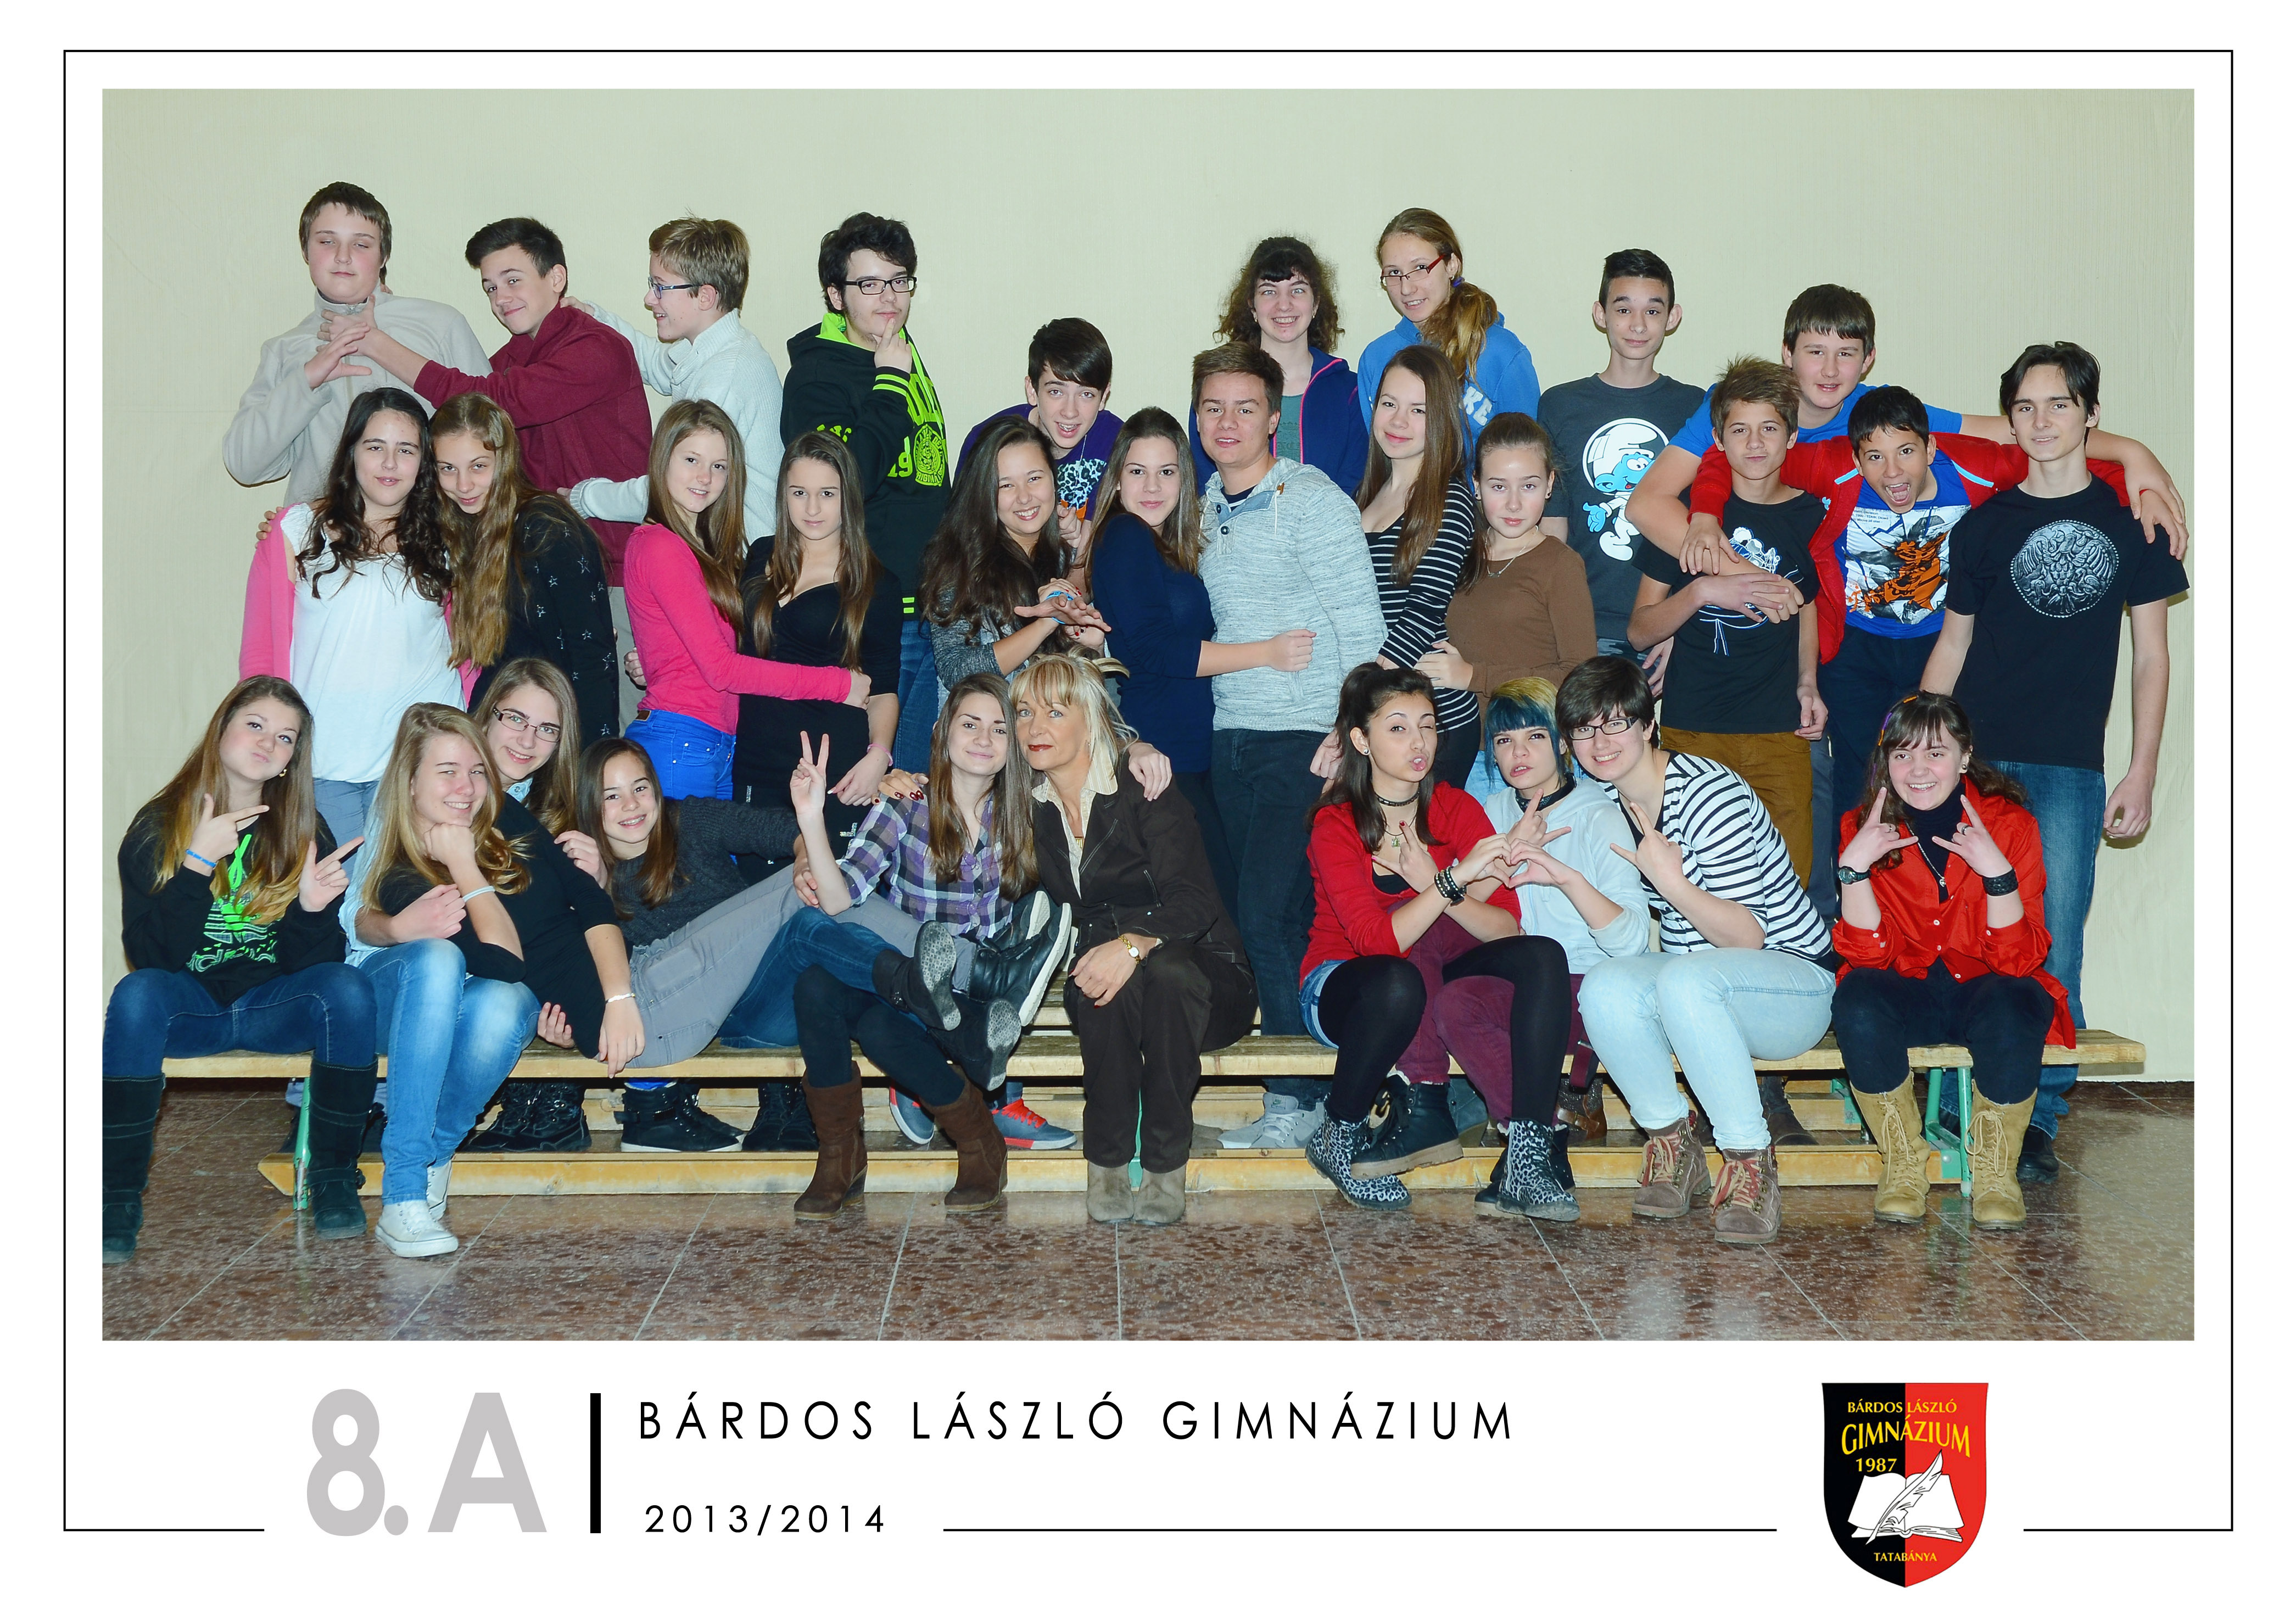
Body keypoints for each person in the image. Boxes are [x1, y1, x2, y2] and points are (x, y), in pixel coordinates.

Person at [1920, 340, 2188, 1181]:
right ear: (2010, 421)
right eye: (2025, 408)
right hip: (1976, 766)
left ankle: (2036, 1118)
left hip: (2071, 769)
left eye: (2059, 405)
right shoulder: (1982, 525)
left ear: (2090, 415)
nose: (2041, 422)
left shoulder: (2133, 522)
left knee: (2054, 944)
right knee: (1966, 936)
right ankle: (1963, 1098)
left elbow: (2152, 657)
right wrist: (1910, 750)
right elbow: (1952, 646)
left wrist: (2142, 768)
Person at [1677, 384, 2147, 835]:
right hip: (1855, 651)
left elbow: (2065, 464)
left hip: (1939, 646)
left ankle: (1932, 880)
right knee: (1860, 778)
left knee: (1935, 769)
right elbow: (1733, 457)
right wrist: (1704, 514)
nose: (1892, 473)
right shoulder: (1830, 464)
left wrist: (2142, 484)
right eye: (1874, 458)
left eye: (1905, 452)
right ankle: (1854, 881)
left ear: (1930, 447)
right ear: (1855, 458)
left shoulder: (1975, 466)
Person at [1566, 656, 1836, 1245]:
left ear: (1647, 725)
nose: (1600, 742)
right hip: (1698, 983)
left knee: (1687, 979)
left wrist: (1672, 883)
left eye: (1615, 724)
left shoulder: (1707, 793)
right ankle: (1672, 1146)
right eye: (1583, 729)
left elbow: (1746, 939)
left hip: (1791, 982)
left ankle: (1749, 1162)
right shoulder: (1604, 804)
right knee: (1605, 987)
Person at [1191, 343, 1387, 1150]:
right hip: (1229, 737)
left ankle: (1294, 1098)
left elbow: (1364, 628)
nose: (1227, 422)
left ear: (1274, 417)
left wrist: (1346, 733)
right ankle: (1316, 1088)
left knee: (1268, 915)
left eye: (1245, 408)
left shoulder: (1311, 500)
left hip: (1304, 741)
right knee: (1265, 919)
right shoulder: (1202, 506)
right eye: (1212, 407)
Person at [104, 677, 375, 1261]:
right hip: (191, 1008)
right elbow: (152, 958)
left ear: (291, 759)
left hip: (270, 1008)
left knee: (348, 987)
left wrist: (310, 911)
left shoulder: (303, 828)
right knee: (136, 993)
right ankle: (114, 1200)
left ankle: (332, 1178)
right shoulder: (158, 825)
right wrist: (196, 864)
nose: (268, 743)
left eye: (286, 737)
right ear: (221, 729)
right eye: (255, 725)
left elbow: (317, 967)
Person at [1297, 665, 1577, 1219]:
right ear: (1361, 741)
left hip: (1432, 974)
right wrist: (1448, 881)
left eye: (1426, 725)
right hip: (1346, 987)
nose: (1418, 742)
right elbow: (1375, 941)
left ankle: (1527, 1152)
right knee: (1399, 971)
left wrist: (1437, 884)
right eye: (1397, 728)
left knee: (1542, 956)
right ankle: (1340, 1131)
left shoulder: (1454, 807)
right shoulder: (1336, 824)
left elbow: (1505, 927)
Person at [1013, 653, 1256, 1226]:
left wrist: (1133, 944)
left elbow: (1194, 901)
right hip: (1109, 977)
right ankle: (1107, 1161)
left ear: (1091, 721)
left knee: (1166, 974)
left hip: (1201, 972)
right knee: (1104, 983)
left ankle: (1166, 1165)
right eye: (1023, 712)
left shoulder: (1144, 787)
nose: (1035, 727)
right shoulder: (1028, 807)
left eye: (1054, 711)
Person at [782, 674, 1038, 1215]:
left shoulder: (1026, 812)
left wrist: (1137, 748)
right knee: (815, 985)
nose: (983, 738)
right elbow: (838, 898)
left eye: (999, 728)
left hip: (978, 994)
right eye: (970, 724)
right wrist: (810, 818)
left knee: (879, 1026)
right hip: (912, 985)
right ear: (942, 732)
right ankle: (840, 1153)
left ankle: (976, 1141)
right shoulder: (905, 804)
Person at [1832, 694, 2074, 1231]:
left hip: (1985, 990)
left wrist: (1997, 876)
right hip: (1908, 989)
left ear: (1964, 757)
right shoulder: (1862, 826)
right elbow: (1867, 955)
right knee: (1856, 996)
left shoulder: (2010, 825)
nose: (1917, 769)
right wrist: (1853, 871)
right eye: (1901, 754)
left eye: (1935, 753)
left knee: (2016, 998)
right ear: (1885, 762)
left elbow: (2017, 960)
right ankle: (1902, 1165)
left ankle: (1994, 1173)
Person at [329, 215, 652, 592]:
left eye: (513, 281)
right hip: (539, 564)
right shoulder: (516, 357)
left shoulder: (597, 348)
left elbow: (491, 399)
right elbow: (456, 419)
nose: (501, 299)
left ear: (556, 278)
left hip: (615, 571)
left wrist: (376, 343)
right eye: (491, 288)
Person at [1087, 406, 1316, 917]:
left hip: (1199, 752)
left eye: (1167, 471)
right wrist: (1266, 653)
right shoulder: (1125, 535)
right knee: (1220, 910)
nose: (1152, 486)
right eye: (1137, 471)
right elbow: (1158, 650)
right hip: (1163, 756)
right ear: (1116, 478)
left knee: (1237, 907)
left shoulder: (1167, 544)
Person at [350, 705, 557, 1255]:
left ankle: (436, 1155)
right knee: (438, 958)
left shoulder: (491, 843)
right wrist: (462, 872)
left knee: (510, 1002)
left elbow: (510, 969)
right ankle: (402, 1195)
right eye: (446, 772)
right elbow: (501, 956)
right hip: (377, 1008)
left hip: (455, 1004)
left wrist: (466, 862)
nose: (465, 788)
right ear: (410, 782)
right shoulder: (398, 864)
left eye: (476, 771)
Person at [1627, 357, 1827, 881]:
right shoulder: (1687, 519)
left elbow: (1808, 604)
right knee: (1693, 885)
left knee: (1787, 884)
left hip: (1779, 731)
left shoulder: (1814, 515)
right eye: (1739, 430)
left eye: (1769, 429)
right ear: (1717, 439)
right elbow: (1639, 631)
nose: (1755, 443)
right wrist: (1701, 592)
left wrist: (1808, 682)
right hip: (1694, 730)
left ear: (1791, 436)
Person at [239, 386, 464, 842]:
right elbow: (260, 652)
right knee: (334, 886)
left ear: (423, 462)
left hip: (419, 768)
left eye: (406, 450)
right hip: (323, 764)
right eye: (375, 447)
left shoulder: (454, 538)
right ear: (351, 452)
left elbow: (473, 647)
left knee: (413, 886)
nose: (389, 463)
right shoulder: (295, 530)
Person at [621, 400, 867, 800]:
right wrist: (837, 684)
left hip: (716, 744)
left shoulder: (707, 550)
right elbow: (722, 669)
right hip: (681, 741)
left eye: (719, 466)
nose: (705, 477)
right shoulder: (660, 546)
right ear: (662, 458)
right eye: (691, 460)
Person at [781, 213, 949, 771]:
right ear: (836, 295)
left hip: (932, 606)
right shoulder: (817, 378)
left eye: (899, 281)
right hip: (873, 611)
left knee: (921, 778)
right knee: (878, 779)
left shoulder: (897, 349)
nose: (889, 297)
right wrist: (891, 382)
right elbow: (844, 481)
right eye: (869, 284)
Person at [1470, 677, 1650, 1154]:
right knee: (1455, 1003)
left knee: (1542, 977)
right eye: (1503, 740)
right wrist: (1508, 851)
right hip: (1515, 979)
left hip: (1583, 984)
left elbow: (1631, 942)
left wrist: (1567, 879)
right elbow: (1459, 913)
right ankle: (1532, 1124)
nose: (1518, 753)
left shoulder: (1598, 813)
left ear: (1562, 743)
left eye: (1535, 735)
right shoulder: (1487, 812)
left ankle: (1555, 1101)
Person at [224, 182, 489, 504]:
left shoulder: (440, 325)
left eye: (361, 245)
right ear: (305, 251)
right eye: (327, 241)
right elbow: (244, 466)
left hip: (428, 531)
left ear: (384, 255)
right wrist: (306, 381)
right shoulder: (284, 350)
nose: (343, 257)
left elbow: (495, 434)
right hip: (326, 533)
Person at [731, 432, 904, 846]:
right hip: (755, 756)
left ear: (849, 497)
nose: (812, 509)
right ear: (783, 496)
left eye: (827, 494)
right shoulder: (759, 554)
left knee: (827, 884)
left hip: (831, 766)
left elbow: (883, 689)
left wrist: (878, 758)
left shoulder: (878, 584)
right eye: (799, 493)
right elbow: (731, 648)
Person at [1537, 249, 1705, 667]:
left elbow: (1703, 520)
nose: (1638, 324)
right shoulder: (1560, 405)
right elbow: (1552, 527)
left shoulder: (1695, 407)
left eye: (1653, 310)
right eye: (1624, 309)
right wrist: (1552, 623)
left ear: (1672, 318)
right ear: (1601, 314)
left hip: (1664, 620)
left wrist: (1679, 620)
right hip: (1581, 623)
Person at [1421, 414, 1596, 803]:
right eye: (1498, 486)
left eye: (1528, 486)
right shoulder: (1455, 551)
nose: (1514, 503)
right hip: (1452, 749)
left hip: (1532, 757)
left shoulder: (1560, 565)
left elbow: (1577, 676)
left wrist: (1475, 676)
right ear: (1476, 486)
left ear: (1549, 485)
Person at [430, 392, 620, 742]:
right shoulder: (462, 529)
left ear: (504, 460)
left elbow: (593, 658)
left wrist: (592, 759)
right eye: (448, 469)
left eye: (478, 466)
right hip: (500, 728)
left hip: (557, 735)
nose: (463, 485)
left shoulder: (547, 529)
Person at [1356, 345, 1485, 787]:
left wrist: (1357, 704)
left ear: (1442, 420)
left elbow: (1423, 612)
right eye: (1389, 404)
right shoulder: (1365, 497)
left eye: (1418, 411)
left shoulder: (1450, 500)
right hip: (1382, 714)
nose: (1398, 421)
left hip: (1434, 721)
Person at [1188, 236, 1368, 492]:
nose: (1284, 305)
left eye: (1298, 290)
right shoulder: (1217, 386)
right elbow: (1206, 483)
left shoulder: (1350, 391)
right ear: (1252, 305)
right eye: (1269, 291)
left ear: (1316, 303)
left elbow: (1354, 484)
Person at [1356, 208, 1539, 448]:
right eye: (1394, 273)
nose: (1406, 289)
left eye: (1420, 268)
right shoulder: (1375, 358)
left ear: (1451, 265)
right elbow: (1377, 456)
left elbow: (1527, 455)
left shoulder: (1501, 353)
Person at [958, 317, 1122, 554]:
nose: (1070, 412)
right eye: (1056, 392)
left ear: (1104, 397)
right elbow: (963, 537)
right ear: (1032, 390)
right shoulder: (987, 442)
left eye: (1086, 394)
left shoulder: (1117, 443)